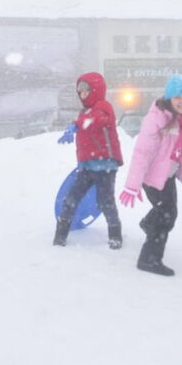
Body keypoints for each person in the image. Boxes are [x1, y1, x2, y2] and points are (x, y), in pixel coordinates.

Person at [119, 74, 182, 276]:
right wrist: (132, 185)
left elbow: (177, 148)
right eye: (178, 97)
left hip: (167, 175)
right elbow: (142, 153)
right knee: (166, 216)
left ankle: (148, 224)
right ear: (169, 98)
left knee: (168, 214)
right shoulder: (157, 119)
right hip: (152, 177)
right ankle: (149, 259)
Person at [53, 72, 124, 249]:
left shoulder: (104, 107)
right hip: (86, 166)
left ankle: (115, 236)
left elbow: (95, 120)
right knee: (71, 198)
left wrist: (75, 125)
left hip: (105, 165)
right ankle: (59, 237)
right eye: (80, 92)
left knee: (105, 201)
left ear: (96, 90)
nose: (83, 95)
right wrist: (76, 125)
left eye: (86, 91)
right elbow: (86, 121)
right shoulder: (84, 112)